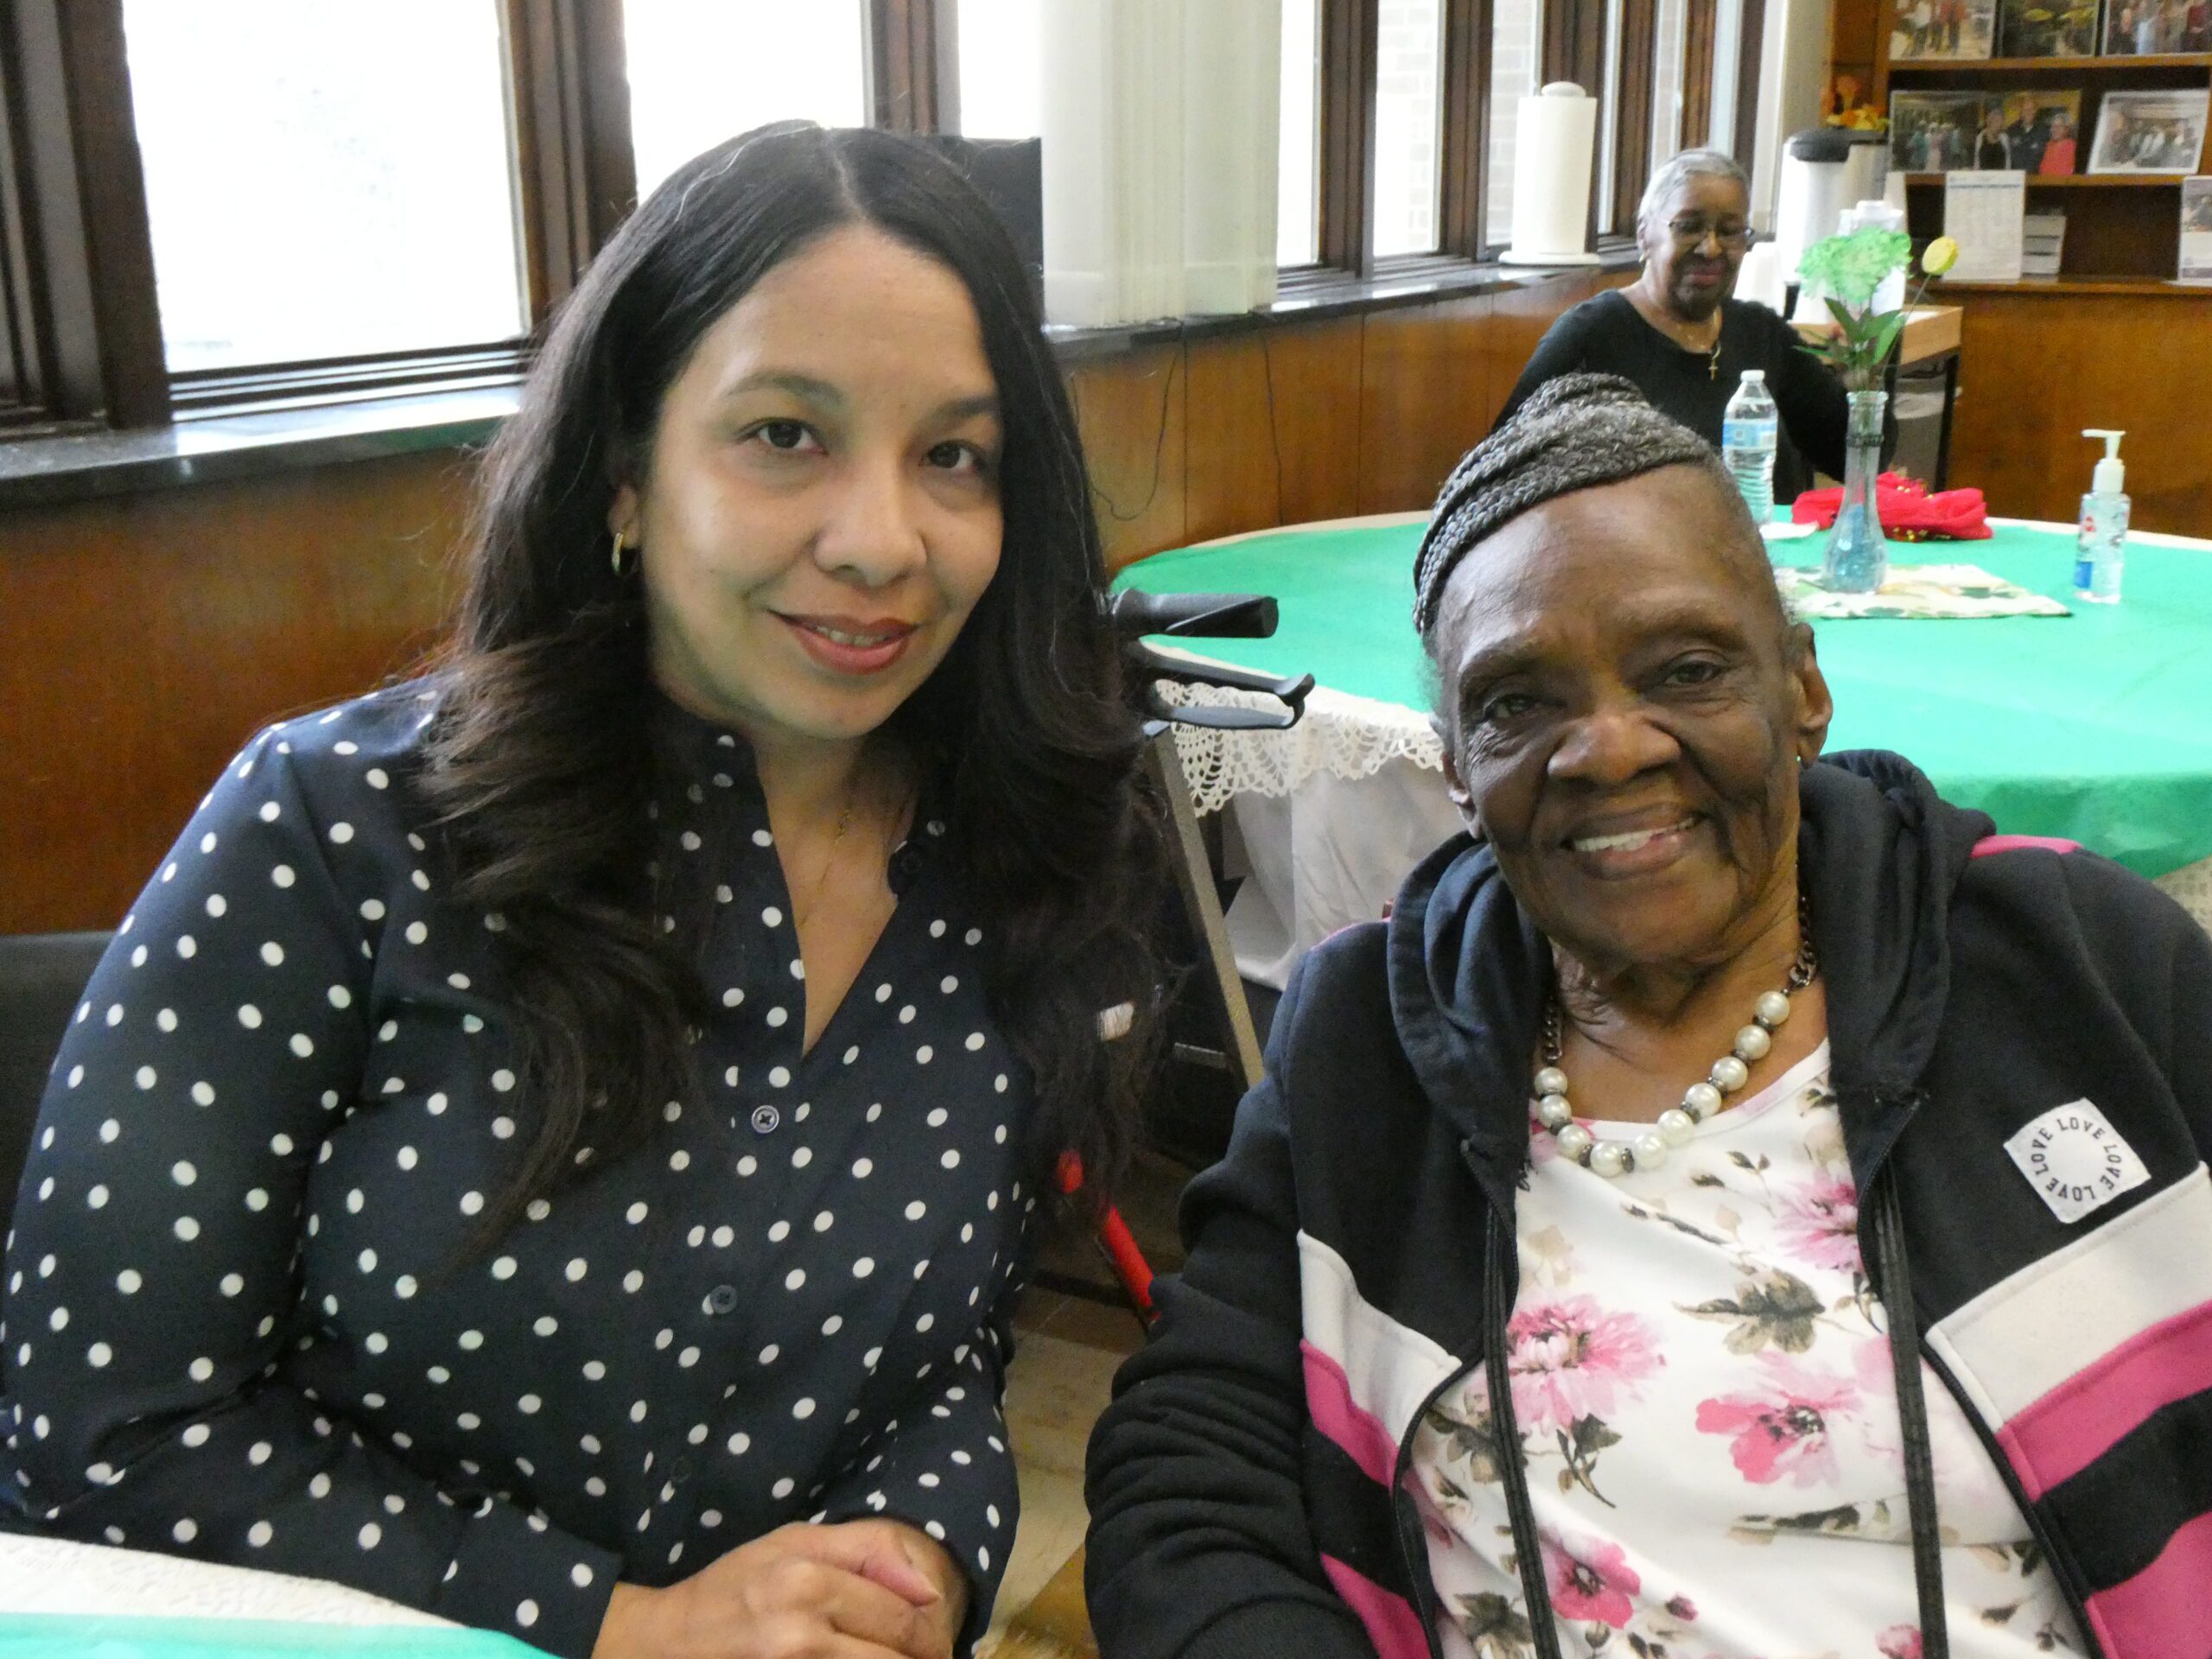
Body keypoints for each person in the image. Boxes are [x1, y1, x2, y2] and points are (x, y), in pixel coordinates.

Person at [0, 124, 1167, 1659]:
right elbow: (96, 1434)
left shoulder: (1022, 858)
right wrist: (617, 1622)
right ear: (625, 474)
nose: (885, 540)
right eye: (784, 435)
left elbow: (944, 1365)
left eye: (953, 455)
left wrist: (927, 1557)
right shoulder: (340, 834)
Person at [1085, 374, 2212, 1658]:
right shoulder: (1368, 1042)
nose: (1610, 749)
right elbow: (1187, 1477)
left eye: (1686, 668)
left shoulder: (2081, 968)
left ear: (1804, 690)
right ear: (1454, 764)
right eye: (1518, 701)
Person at [1495, 150, 1882, 510]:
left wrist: (1861, 382)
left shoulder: (1762, 334)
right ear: (1645, 234)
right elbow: (1500, 470)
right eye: (1689, 227)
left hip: (1767, 564)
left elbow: (1853, 459)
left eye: (1730, 231)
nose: (1711, 248)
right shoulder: (1591, 335)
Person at [2039, 110, 2078, 175]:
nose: (2054, 129)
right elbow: (2042, 168)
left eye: (2059, 126)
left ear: (2067, 129)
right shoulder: (2049, 145)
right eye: (2053, 126)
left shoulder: (2072, 146)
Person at [1974, 105, 2012, 169]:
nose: (1999, 123)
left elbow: (2008, 158)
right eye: (1996, 120)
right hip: (1984, 175)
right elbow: (1977, 158)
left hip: (2001, 175)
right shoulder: (1980, 137)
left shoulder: (2004, 137)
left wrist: (2008, 173)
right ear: (1990, 121)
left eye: (2001, 121)